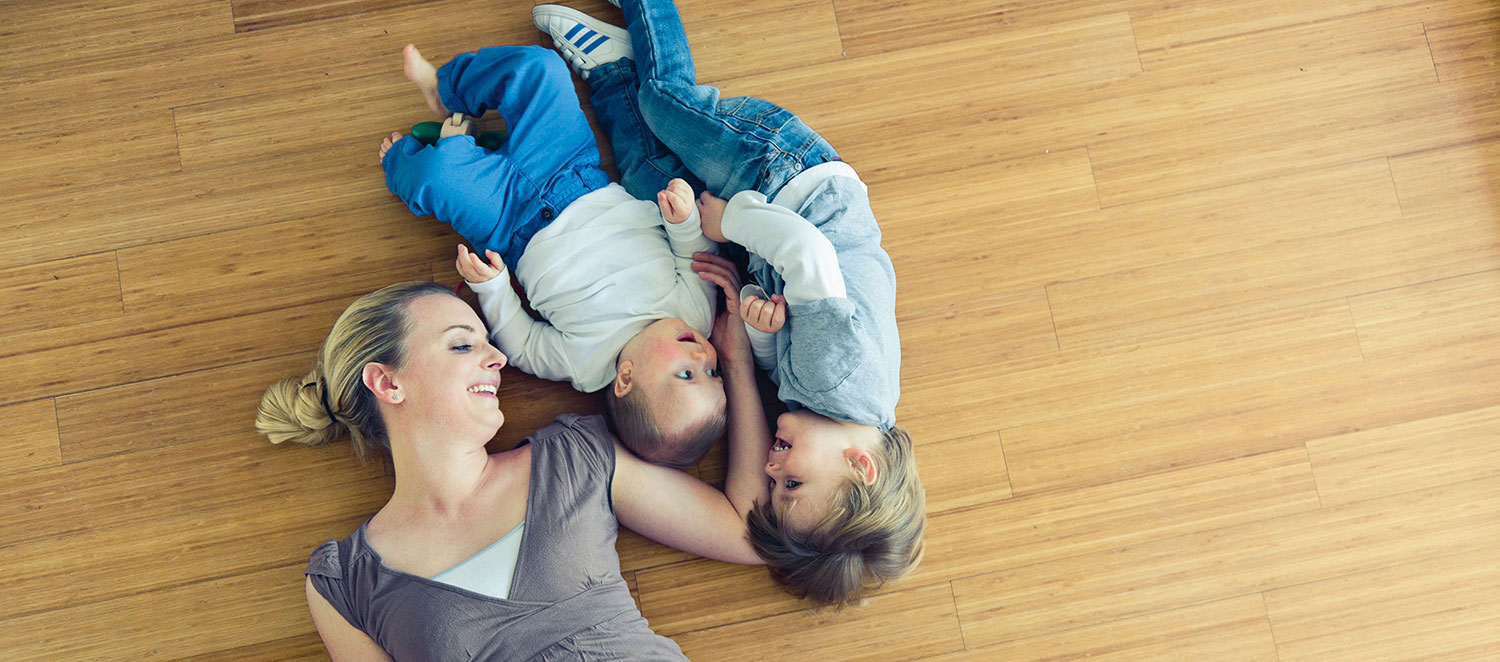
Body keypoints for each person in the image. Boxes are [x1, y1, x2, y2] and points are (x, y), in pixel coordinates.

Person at [531, 0, 926, 607]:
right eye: (791, 482)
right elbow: (811, 254)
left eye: (774, 484)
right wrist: (733, 220)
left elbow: (785, 343)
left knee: (653, 185)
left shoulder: (830, 406)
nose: (771, 471)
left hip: (770, 230)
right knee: (668, 102)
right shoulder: (840, 380)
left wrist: (758, 328)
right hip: (786, 179)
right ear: (860, 466)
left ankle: (611, 68)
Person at [255, 277, 770, 660]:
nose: (498, 357)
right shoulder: (344, 585)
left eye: (488, 342)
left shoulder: (578, 458)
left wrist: (737, 364)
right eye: (463, 344)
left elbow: (746, 532)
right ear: (389, 384)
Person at [378, 43, 723, 468]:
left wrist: (494, 288)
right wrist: (683, 221)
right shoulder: (694, 315)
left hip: (510, 221)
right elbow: (695, 257)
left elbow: (522, 343)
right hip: (572, 169)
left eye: (687, 374)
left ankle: (407, 160)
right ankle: (446, 90)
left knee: (437, 177)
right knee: (538, 68)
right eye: (714, 373)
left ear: (626, 377)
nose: (704, 357)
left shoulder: (584, 365)